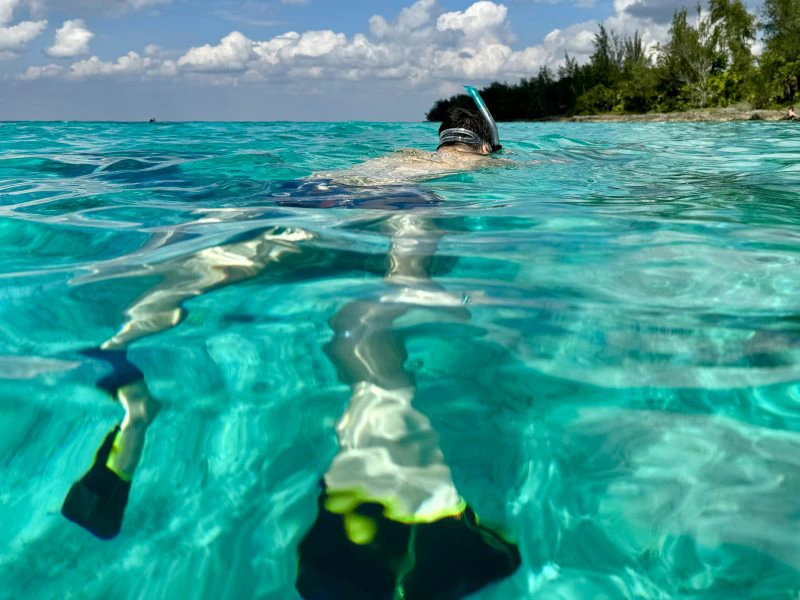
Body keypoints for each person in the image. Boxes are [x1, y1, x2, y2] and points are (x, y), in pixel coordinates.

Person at [61, 87, 520, 598]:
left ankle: (129, 383)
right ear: (483, 145)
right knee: (386, 301)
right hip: (400, 203)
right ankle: (385, 455)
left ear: (440, 137)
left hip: (303, 194)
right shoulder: (477, 165)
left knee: (190, 275)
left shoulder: (398, 155)